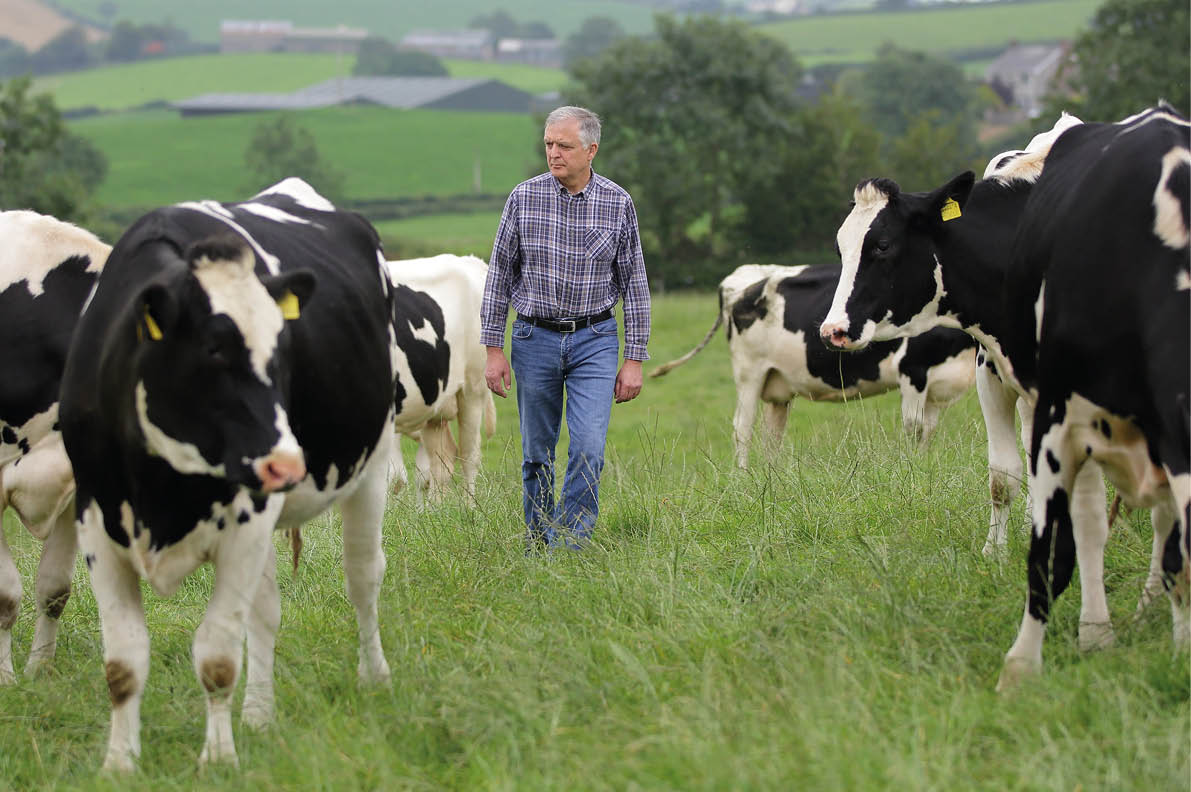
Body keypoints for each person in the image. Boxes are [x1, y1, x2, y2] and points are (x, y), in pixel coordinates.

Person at [480, 105, 651, 551]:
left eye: (564, 146)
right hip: (533, 337)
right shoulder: (523, 198)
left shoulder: (618, 203)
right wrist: (492, 349)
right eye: (549, 145)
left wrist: (634, 359)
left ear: (591, 150)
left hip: (595, 339)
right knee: (536, 454)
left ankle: (569, 545)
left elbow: (635, 284)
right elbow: (499, 275)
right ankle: (537, 538)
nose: (554, 153)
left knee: (589, 448)